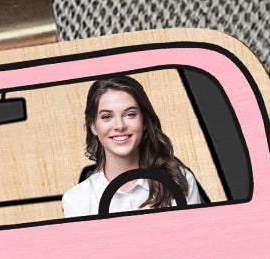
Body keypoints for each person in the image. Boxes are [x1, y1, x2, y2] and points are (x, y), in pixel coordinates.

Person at [61, 74, 203, 217]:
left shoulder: (180, 180)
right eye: (107, 117)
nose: (120, 126)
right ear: (93, 126)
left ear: (144, 121)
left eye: (130, 114)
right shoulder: (76, 200)